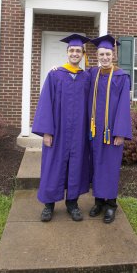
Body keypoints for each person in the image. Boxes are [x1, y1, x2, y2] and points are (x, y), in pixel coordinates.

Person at [32, 34, 91, 222]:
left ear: (83, 54)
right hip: (58, 131)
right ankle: (49, 205)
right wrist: (46, 132)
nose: (75, 53)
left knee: (76, 166)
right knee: (53, 166)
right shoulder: (55, 74)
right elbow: (45, 104)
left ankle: (72, 203)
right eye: (72, 50)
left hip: (79, 133)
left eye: (78, 51)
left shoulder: (86, 78)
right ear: (67, 52)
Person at [88, 34, 132, 224]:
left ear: (113, 55)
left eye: (108, 54)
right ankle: (98, 202)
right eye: (101, 54)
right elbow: (74, 78)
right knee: (96, 165)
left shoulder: (122, 77)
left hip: (112, 132)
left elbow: (124, 106)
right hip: (94, 131)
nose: (105, 57)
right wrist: (56, 69)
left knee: (111, 167)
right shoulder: (92, 74)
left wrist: (120, 133)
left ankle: (111, 205)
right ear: (97, 55)